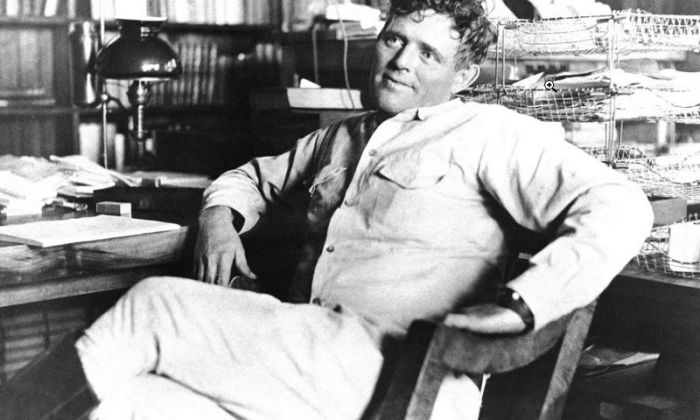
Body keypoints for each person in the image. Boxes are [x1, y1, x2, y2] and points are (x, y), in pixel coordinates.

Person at [0, 0, 653, 419]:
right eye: (395, 40)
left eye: (428, 53)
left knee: (152, 306)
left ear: (464, 77)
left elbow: (621, 206)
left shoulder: (490, 133)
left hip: (404, 374)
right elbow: (249, 179)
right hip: (312, 359)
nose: (401, 61)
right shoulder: (344, 135)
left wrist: (522, 304)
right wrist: (218, 221)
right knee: (127, 402)